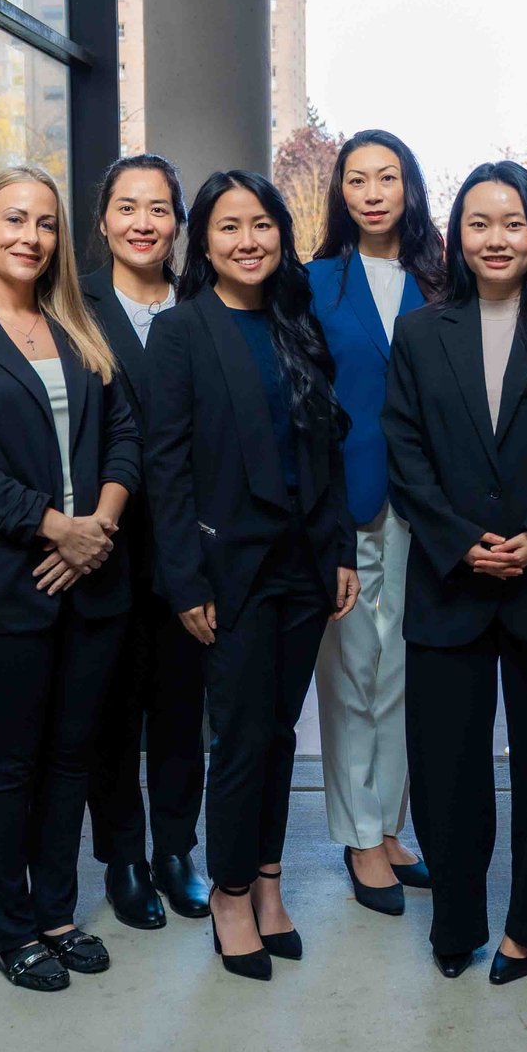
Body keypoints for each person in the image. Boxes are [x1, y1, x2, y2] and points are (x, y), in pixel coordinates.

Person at [381, 160, 527, 981]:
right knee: (447, 768)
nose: (496, 239)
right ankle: (457, 924)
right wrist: (458, 540)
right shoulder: (420, 333)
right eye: (479, 223)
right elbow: (404, 452)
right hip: (449, 579)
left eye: (513, 223)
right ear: (457, 236)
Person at [0, 165, 140, 993]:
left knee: (72, 759)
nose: (30, 237)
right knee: (11, 766)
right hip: (6, 588)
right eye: (13, 219)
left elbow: (125, 435)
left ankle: (56, 915)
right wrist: (56, 528)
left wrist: (99, 528)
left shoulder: (77, 326)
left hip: (93, 582)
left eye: (45, 223)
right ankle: (9, 932)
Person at [143, 170, 360, 981]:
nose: (248, 240)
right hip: (227, 570)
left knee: (278, 730)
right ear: (203, 241)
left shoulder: (296, 321)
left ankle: (269, 880)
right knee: (237, 737)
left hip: (304, 563)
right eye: (229, 226)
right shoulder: (181, 332)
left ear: (281, 234)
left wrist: (340, 549)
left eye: (262, 224)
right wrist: (185, 580)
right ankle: (230, 894)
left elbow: (326, 446)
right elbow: (166, 468)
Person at [304, 129, 442, 912]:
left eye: (387, 177)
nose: (373, 193)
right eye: (357, 180)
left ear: (409, 187)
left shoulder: (444, 278)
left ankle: (390, 826)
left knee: (404, 672)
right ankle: (359, 835)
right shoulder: (314, 282)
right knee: (353, 671)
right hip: (347, 502)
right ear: (341, 193)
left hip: (429, 504)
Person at [80, 153, 212, 929]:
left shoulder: (202, 301)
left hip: (188, 544)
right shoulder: (73, 304)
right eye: (127, 207)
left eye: (159, 209)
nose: (143, 223)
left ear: (178, 224)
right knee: (112, 711)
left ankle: (175, 851)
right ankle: (123, 858)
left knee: (181, 709)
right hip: (106, 543)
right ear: (103, 221)